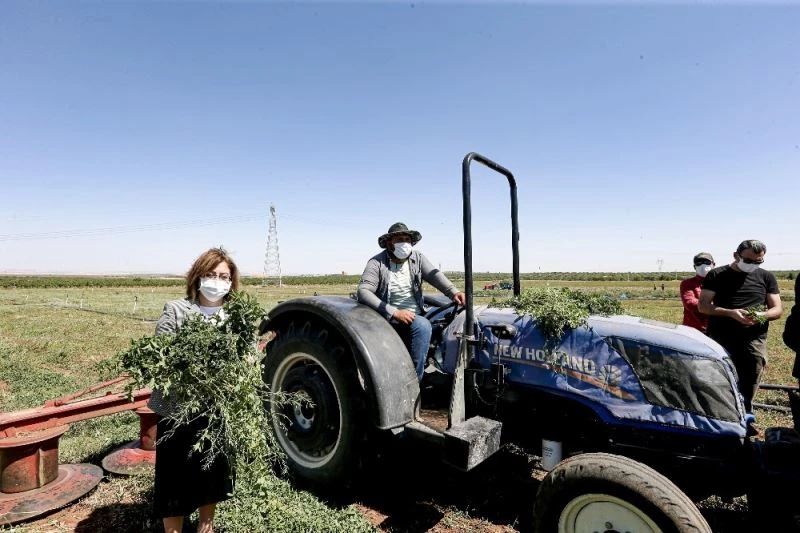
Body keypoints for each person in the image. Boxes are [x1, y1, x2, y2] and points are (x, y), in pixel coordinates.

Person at [147, 247, 239, 533]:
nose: (217, 281)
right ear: (197, 277)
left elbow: (246, 355)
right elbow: (160, 358)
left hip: (216, 407)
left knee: (210, 471)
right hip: (177, 408)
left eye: (223, 276)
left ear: (231, 281)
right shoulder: (176, 309)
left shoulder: (237, 315)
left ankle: (205, 525)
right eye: (211, 274)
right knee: (174, 474)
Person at [357, 222, 466, 381]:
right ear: (389, 243)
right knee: (422, 326)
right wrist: (394, 312)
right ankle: (414, 382)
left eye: (407, 239)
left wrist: (453, 291)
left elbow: (435, 276)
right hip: (389, 316)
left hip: (417, 312)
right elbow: (363, 291)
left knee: (455, 315)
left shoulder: (417, 258)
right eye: (399, 239)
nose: (404, 243)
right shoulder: (376, 263)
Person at [698, 240, 783, 419]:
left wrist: (761, 315)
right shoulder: (717, 274)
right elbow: (704, 306)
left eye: (758, 262)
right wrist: (730, 313)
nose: (753, 265)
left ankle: (745, 414)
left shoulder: (766, 277)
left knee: (752, 372)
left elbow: (777, 309)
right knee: (718, 377)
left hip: (754, 338)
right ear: (736, 255)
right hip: (721, 336)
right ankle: (718, 415)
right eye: (749, 261)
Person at [680, 252, 715, 332]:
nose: (703, 265)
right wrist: (719, 307)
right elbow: (690, 304)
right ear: (694, 267)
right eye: (699, 263)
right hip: (694, 331)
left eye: (707, 262)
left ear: (713, 264)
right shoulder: (687, 283)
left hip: (716, 330)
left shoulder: (722, 282)